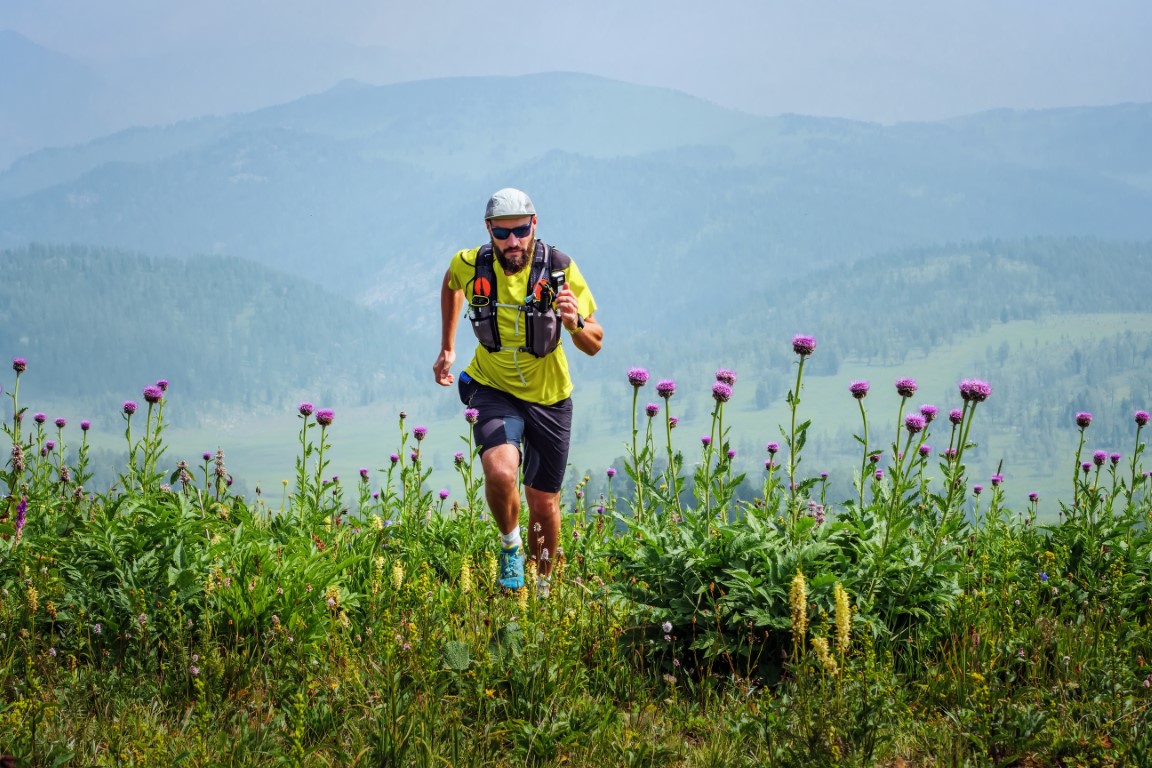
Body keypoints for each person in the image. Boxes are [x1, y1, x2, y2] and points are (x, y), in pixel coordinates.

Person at [434, 188, 602, 595]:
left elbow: (595, 342)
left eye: (521, 231)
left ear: (534, 225)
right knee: (501, 470)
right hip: (493, 387)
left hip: (550, 396)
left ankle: (542, 591)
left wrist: (575, 321)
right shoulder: (471, 264)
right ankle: (510, 549)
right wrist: (448, 345)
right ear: (489, 230)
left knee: (543, 504)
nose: (513, 242)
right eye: (503, 233)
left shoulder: (560, 269)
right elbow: (451, 285)